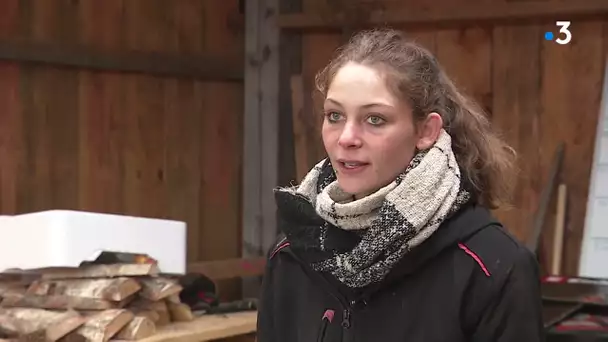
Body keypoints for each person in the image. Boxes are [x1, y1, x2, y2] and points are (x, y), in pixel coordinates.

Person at [257, 28, 545, 342]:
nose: (346, 138)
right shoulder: (293, 252)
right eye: (335, 115)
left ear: (426, 131)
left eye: (375, 119)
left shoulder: (492, 266)